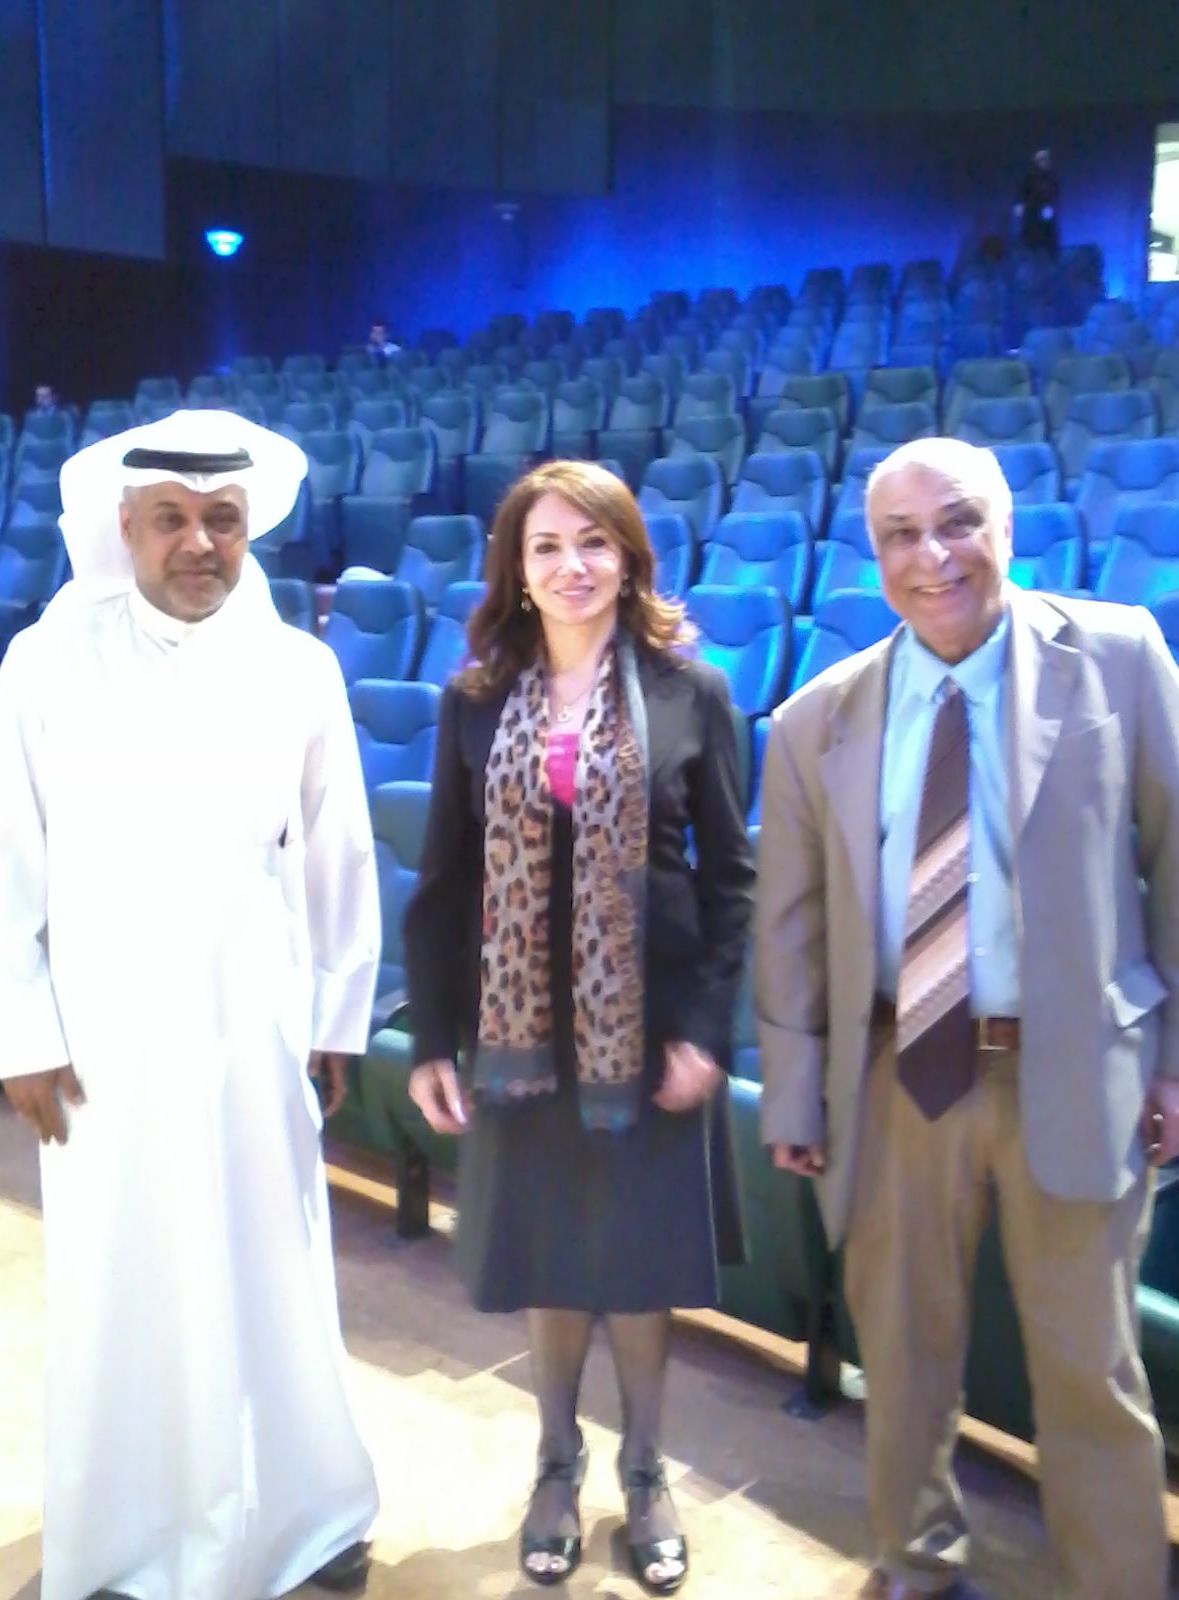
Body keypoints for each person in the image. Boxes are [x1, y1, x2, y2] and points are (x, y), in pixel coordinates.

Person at [754, 435, 1178, 1600]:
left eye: (957, 524)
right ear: (871, 551)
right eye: (900, 534)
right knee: (903, 1356)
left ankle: (1120, 1583)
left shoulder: (1122, 658)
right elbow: (788, 928)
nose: (931, 556)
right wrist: (794, 1091)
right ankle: (914, 1563)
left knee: (1090, 1369)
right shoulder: (813, 720)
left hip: (1076, 1063)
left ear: (1007, 525)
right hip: (899, 1071)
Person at [0, 410, 382, 1600]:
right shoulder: (49, 660)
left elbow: (339, 854)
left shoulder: (299, 668)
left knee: (274, 1271)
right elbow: (5, 862)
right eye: (173, 520)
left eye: (222, 520)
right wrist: (20, 1036)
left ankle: (305, 1515)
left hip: (256, 1029)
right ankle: (131, 1541)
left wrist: (333, 1018)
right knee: (124, 1286)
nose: (199, 543)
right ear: (126, 527)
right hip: (105, 1042)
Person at [403, 459, 753, 1594]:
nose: (571, 566)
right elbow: (444, 883)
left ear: (630, 557)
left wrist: (706, 1028)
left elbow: (732, 881)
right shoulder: (472, 700)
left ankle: (648, 1474)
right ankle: (557, 1463)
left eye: (593, 543)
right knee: (554, 1256)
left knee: (639, 1268)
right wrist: (435, 1039)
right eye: (546, 545)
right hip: (517, 1034)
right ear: (516, 564)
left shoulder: (691, 692)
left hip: (645, 1030)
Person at [1015, 148, 1060, 258]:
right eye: (1041, 160)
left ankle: (1051, 258)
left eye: (1046, 160)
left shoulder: (1050, 178)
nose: (1044, 163)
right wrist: (1019, 205)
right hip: (1031, 215)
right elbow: (1022, 193)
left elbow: (1055, 193)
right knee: (1031, 238)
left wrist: (1050, 206)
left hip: (1046, 215)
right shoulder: (1029, 178)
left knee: (1048, 236)